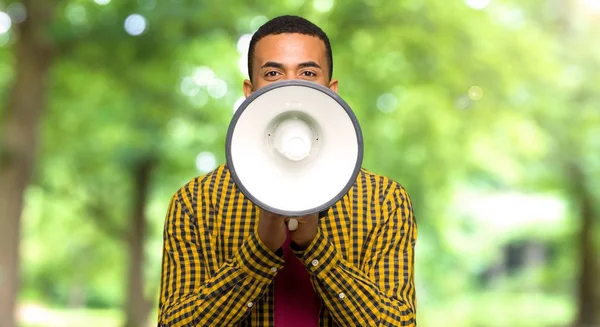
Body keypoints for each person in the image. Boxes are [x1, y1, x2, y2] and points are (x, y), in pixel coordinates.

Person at [157, 15, 417, 327]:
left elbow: (398, 323)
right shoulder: (197, 203)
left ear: (331, 90)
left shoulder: (383, 201)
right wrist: (260, 250)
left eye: (308, 72)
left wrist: (314, 246)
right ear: (249, 91)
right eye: (273, 73)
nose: (291, 85)